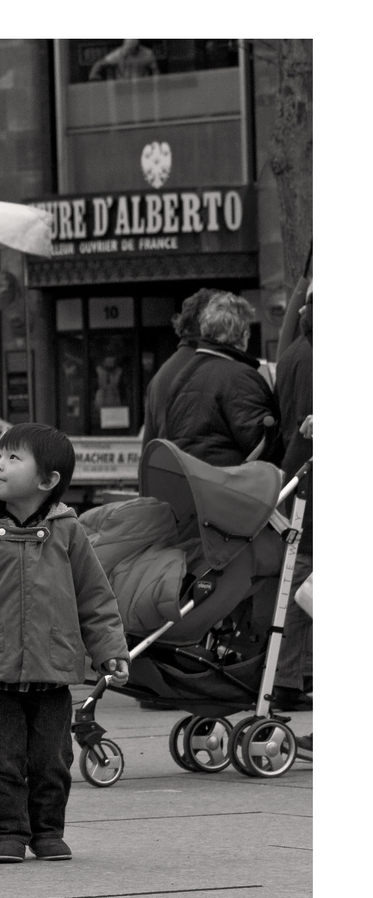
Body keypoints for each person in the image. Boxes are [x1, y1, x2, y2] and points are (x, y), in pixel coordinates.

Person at [0, 424, 129, 863]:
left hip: (52, 673)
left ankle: (48, 832)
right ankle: (5, 833)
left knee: (52, 761)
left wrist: (109, 649)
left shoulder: (68, 532)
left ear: (47, 481)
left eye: (13, 458)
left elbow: (96, 597)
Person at [159, 292, 280, 467]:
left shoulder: (183, 377)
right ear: (244, 335)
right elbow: (263, 446)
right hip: (228, 486)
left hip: (190, 484)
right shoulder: (241, 376)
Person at [271, 284, 313, 744]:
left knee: (301, 574)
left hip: (302, 479)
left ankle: (291, 675)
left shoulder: (298, 349)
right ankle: (287, 676)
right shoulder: (310, 354)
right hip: (311, 482)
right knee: (303, 577)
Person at [142, 287, 225, 442]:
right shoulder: (221, 369)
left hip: (168, 464)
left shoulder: (159, 378)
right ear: (212, 325)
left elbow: (149, 450)